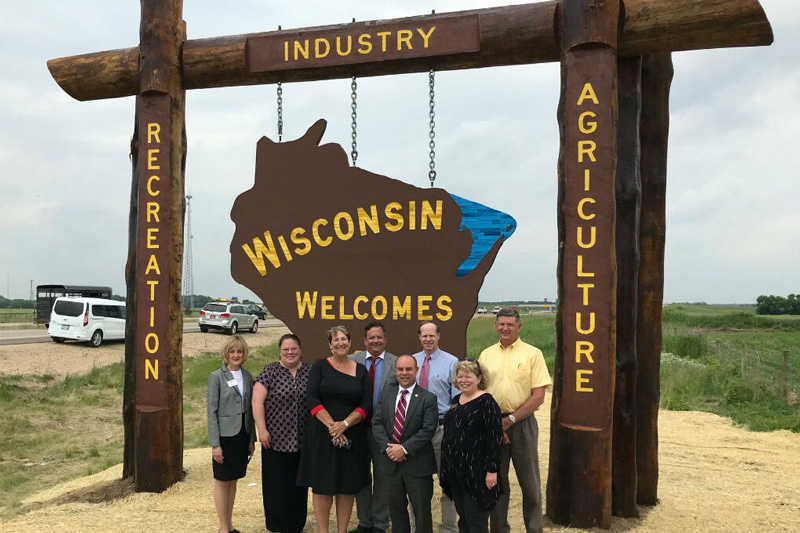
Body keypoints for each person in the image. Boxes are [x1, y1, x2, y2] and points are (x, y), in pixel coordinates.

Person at [478, 308, 552, 533]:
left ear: (519, 326)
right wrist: (494, 422)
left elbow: (538, 396)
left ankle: (534, 528)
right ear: (495, 326)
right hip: (492, 425)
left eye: (510, 324)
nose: (505, 328)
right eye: (501, 324)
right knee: (496, 483)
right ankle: (499, 529)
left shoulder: (533, 354)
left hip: (522, 423)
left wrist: (511, 418)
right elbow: (479, 391)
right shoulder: (486, 355)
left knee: (530, 484)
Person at [297, 325, 372, 533]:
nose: (340, 343)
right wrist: (332, 426)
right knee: (322, 487)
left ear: (350, 342)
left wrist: (345, 425)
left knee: (346, 488)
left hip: (351, 435)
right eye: (336, 340)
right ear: (330, 345)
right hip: (323, 435)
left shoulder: (361, 370)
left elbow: (366, 404)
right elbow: (312, 398)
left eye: (344, 339)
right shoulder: (320, 366)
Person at [372, 355, 439, 533]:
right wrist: (389, 448)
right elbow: (377, 423)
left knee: (422, 514)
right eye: (400, 369)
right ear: (395, 371)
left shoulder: (428, 398)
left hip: (417, 465)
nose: (404, 373)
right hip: (391, 464)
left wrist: (404, 449)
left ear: (416, 371)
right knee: (397, 513)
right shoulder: (387, 394)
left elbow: (428, 429)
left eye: (408, 369)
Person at [252, 333, 311, 533]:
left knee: (299, 486)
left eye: (294, 348)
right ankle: (277, 525)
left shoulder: (309, 372)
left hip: (303, 441)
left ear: (300, 350)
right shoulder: (270, 372)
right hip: (275, 439)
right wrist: (262, 429)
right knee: (276, 485)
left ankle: (296, 524)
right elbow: (257, 401)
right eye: (286, 349)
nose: (290, 352)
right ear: (280, 351)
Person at [440, 359, 503, 533]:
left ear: (479, 378)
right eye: (460, 376)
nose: (463, 380)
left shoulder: (487, 402)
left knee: (476, 522)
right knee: (464, 520)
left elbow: (495, 439)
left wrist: (492, 470)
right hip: (457, 472)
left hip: (477, 474)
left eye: (468, 376)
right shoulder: (455, 400)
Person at [348, 321, 398, 533]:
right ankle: (364, 522)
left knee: (383, 477)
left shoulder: (397, 363)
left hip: (384, 431)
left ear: (385, 339)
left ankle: (379, 523)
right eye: (371, 337)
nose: (375, 341)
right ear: (364, 340)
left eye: (379, 337)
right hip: (357, 428)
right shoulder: (352, 361)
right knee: (360, 476)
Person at [413, 320, 459, 533]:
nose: (428, 339)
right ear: (419, 337)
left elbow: (458, 400)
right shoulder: (412, 362)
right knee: (416, 485)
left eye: (432, 335)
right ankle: (419, 528)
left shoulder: (452, 362)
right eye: (424, 335)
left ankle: (448, 528)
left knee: (448, 483)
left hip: (442, 430)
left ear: (438, 336)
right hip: (416, 432)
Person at [207, 335, 256, 533]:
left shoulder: (247, 376)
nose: (236, 355)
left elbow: (250, 410)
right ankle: (222, 528)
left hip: (242, 434)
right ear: (226, 354)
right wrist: (215, 444)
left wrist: (251, 439)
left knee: (233, 480)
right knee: (222, 480)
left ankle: (230, 524)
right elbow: (211, 411)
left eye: (239, 351)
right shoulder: (216, 376)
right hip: (224, 437)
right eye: (232, 351)